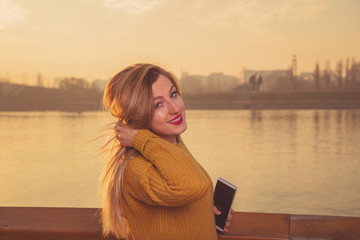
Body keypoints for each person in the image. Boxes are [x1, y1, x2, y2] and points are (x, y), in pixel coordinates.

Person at [100, 63, 233, 239]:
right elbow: (194, 184)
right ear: (139, 114)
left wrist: (203, 209)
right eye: (158, 105)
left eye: (173, 94)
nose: (176, 108)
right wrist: (140, 138)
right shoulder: (135, 167)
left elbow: (190, 189)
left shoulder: (172, 144)